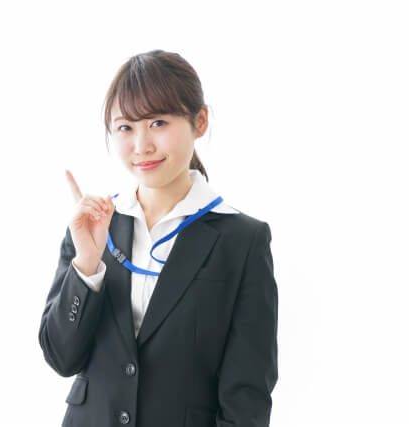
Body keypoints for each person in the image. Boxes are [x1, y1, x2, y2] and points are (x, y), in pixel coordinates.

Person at [38, 49, 278, 427]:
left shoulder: (241, 240)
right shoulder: (93, 227)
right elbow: (60, 358)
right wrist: (86, 267)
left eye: (159, 123)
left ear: (200, 121)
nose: (141, 146)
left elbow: (247, 395)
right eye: (125, 128)